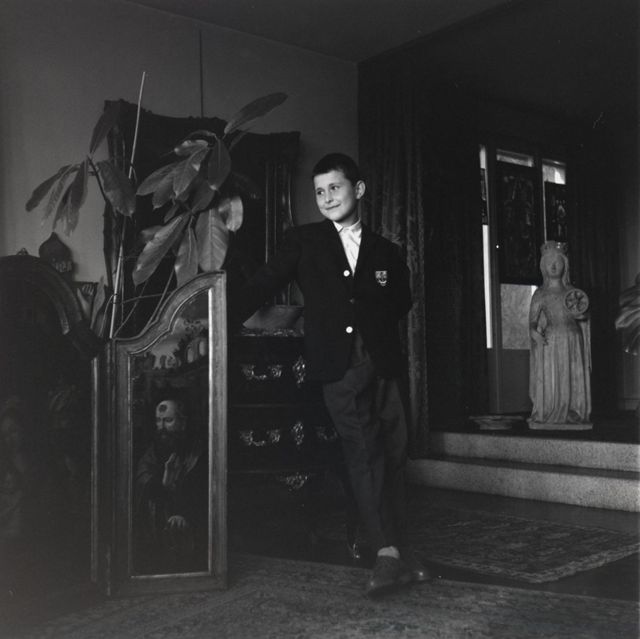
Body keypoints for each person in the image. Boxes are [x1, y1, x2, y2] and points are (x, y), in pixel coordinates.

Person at [230, 152, 429, 596]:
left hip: (385, 364)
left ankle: (401, 549)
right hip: (339, 367)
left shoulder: (387, 251)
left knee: (394, 453)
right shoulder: (304, 241)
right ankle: (386, 554)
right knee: (364, 452)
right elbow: (262, 285)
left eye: (334, 188)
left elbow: (401, 301)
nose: (326, 198)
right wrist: (218, 317)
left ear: (358, 190)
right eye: (319, 191)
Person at [134, 398, 207, 573]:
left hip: (189, 525)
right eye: (158, 420)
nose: (162, 427)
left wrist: (184, 513)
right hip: (154, 527)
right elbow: (142, 481)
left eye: (168, 420)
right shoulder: (151, 452)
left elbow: (202, 492)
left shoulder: (197, 453)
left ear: (182, 423)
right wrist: (163, 484)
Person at [528, 241, 592, 429]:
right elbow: (532, 320)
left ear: (565, 264)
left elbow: (583, 313)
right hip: (551, 339)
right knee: (552, 376)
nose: (554, 266)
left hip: (572, 338)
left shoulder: (572, 292)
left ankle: (573, 410)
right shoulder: (540, 294)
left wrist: (582, 316)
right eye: (549, 262)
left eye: (558, 261)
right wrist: (533, 331)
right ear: (543, 266)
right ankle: (550, 410)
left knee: (571, 376)